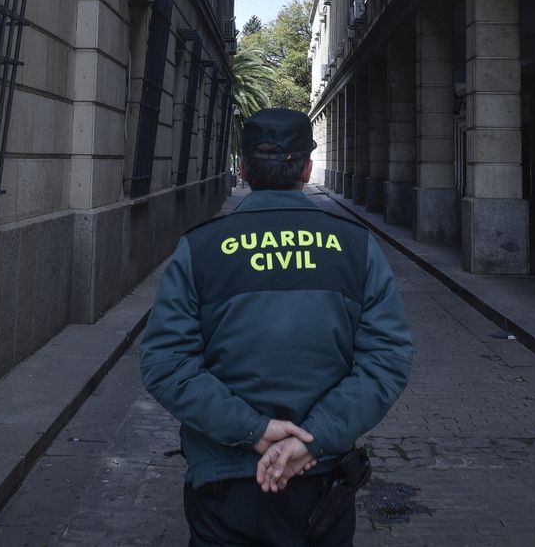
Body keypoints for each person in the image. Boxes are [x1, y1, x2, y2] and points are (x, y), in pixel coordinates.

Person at [140, 107, 414, 547]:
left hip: (224, 486)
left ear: (243, 169)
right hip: (320, 484)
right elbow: (388, 359)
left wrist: (255, 431)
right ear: (307, 168)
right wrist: (316, 438)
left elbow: (166, 365)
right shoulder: (356, 247)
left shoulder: (201, 248)